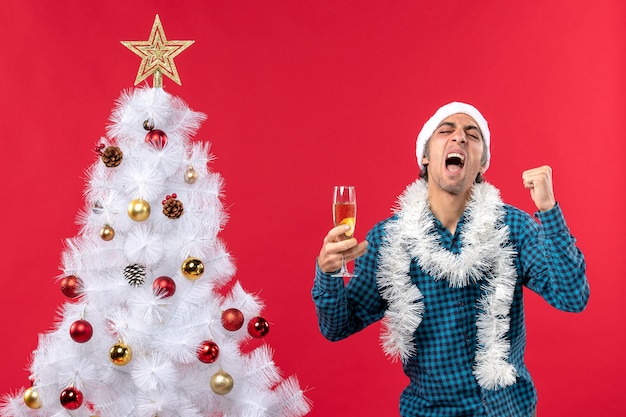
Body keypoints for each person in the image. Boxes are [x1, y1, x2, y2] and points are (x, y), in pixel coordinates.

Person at [312, 102, 589, 417]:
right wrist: (329, 274)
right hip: (429, 411)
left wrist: (549, 210)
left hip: (508, 410)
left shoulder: (513, 227)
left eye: (472, 135)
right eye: (446, 131)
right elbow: (336, 327)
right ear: (426, 157)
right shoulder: (390, 239)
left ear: (481, 163)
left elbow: (572, 297)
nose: (459, 138)